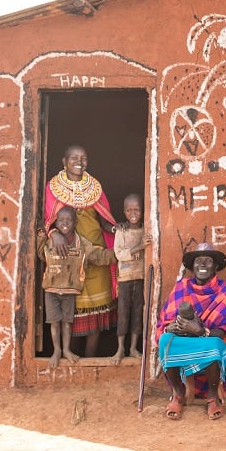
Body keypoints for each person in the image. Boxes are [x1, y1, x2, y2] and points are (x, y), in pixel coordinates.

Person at [44, 145, 119, 357]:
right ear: (64, 161)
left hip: (96, 254)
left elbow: (105, 220)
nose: (79, 161)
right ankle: (70, 358)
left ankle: (89, 359)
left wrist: (116, 229)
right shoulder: (53, 188)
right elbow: (47, 221)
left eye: (84, 158)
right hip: (69, 259)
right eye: (74, 158)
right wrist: (53, 234)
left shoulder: (94, 186)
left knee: (96, 313)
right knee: (70, 311)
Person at [155, 243, 226, 420]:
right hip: (184, 341)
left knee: (215, 345)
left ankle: (212, 397)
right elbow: (165, 322)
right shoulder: (181, 288)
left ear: (216, 266)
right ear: (192, 266)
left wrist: (201, 331)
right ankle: (178, 393)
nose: (202, 265)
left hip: (208, 340)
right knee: (165, 341)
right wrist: (172, 327)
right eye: (198, 261)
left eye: (208, 261)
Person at [37, 206, 116, 367]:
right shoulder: (51, 240)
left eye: (69, 220)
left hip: (70, 291)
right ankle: (57, 351)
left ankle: (66, 350)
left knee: (67, 322)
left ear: (76, 222)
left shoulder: (83, 244)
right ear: (56, 223)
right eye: (61, 220)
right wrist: (48, 234)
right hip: (51, 290)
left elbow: (99, 256)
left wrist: (121, 252)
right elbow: (40, 252)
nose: (65, 223)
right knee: (54, 323)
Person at [112, 194, 152, 364]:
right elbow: (119, 254)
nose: (133, 213)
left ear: (143, 210)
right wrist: (139, 247)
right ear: (124, 211)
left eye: (137, 209)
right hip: (125, 279)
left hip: (140, 277)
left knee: (137, 313)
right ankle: (120, 348)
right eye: (129, 210)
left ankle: (133, 348)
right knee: (122, 314)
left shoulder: (146, 230)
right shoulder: (121, 231)